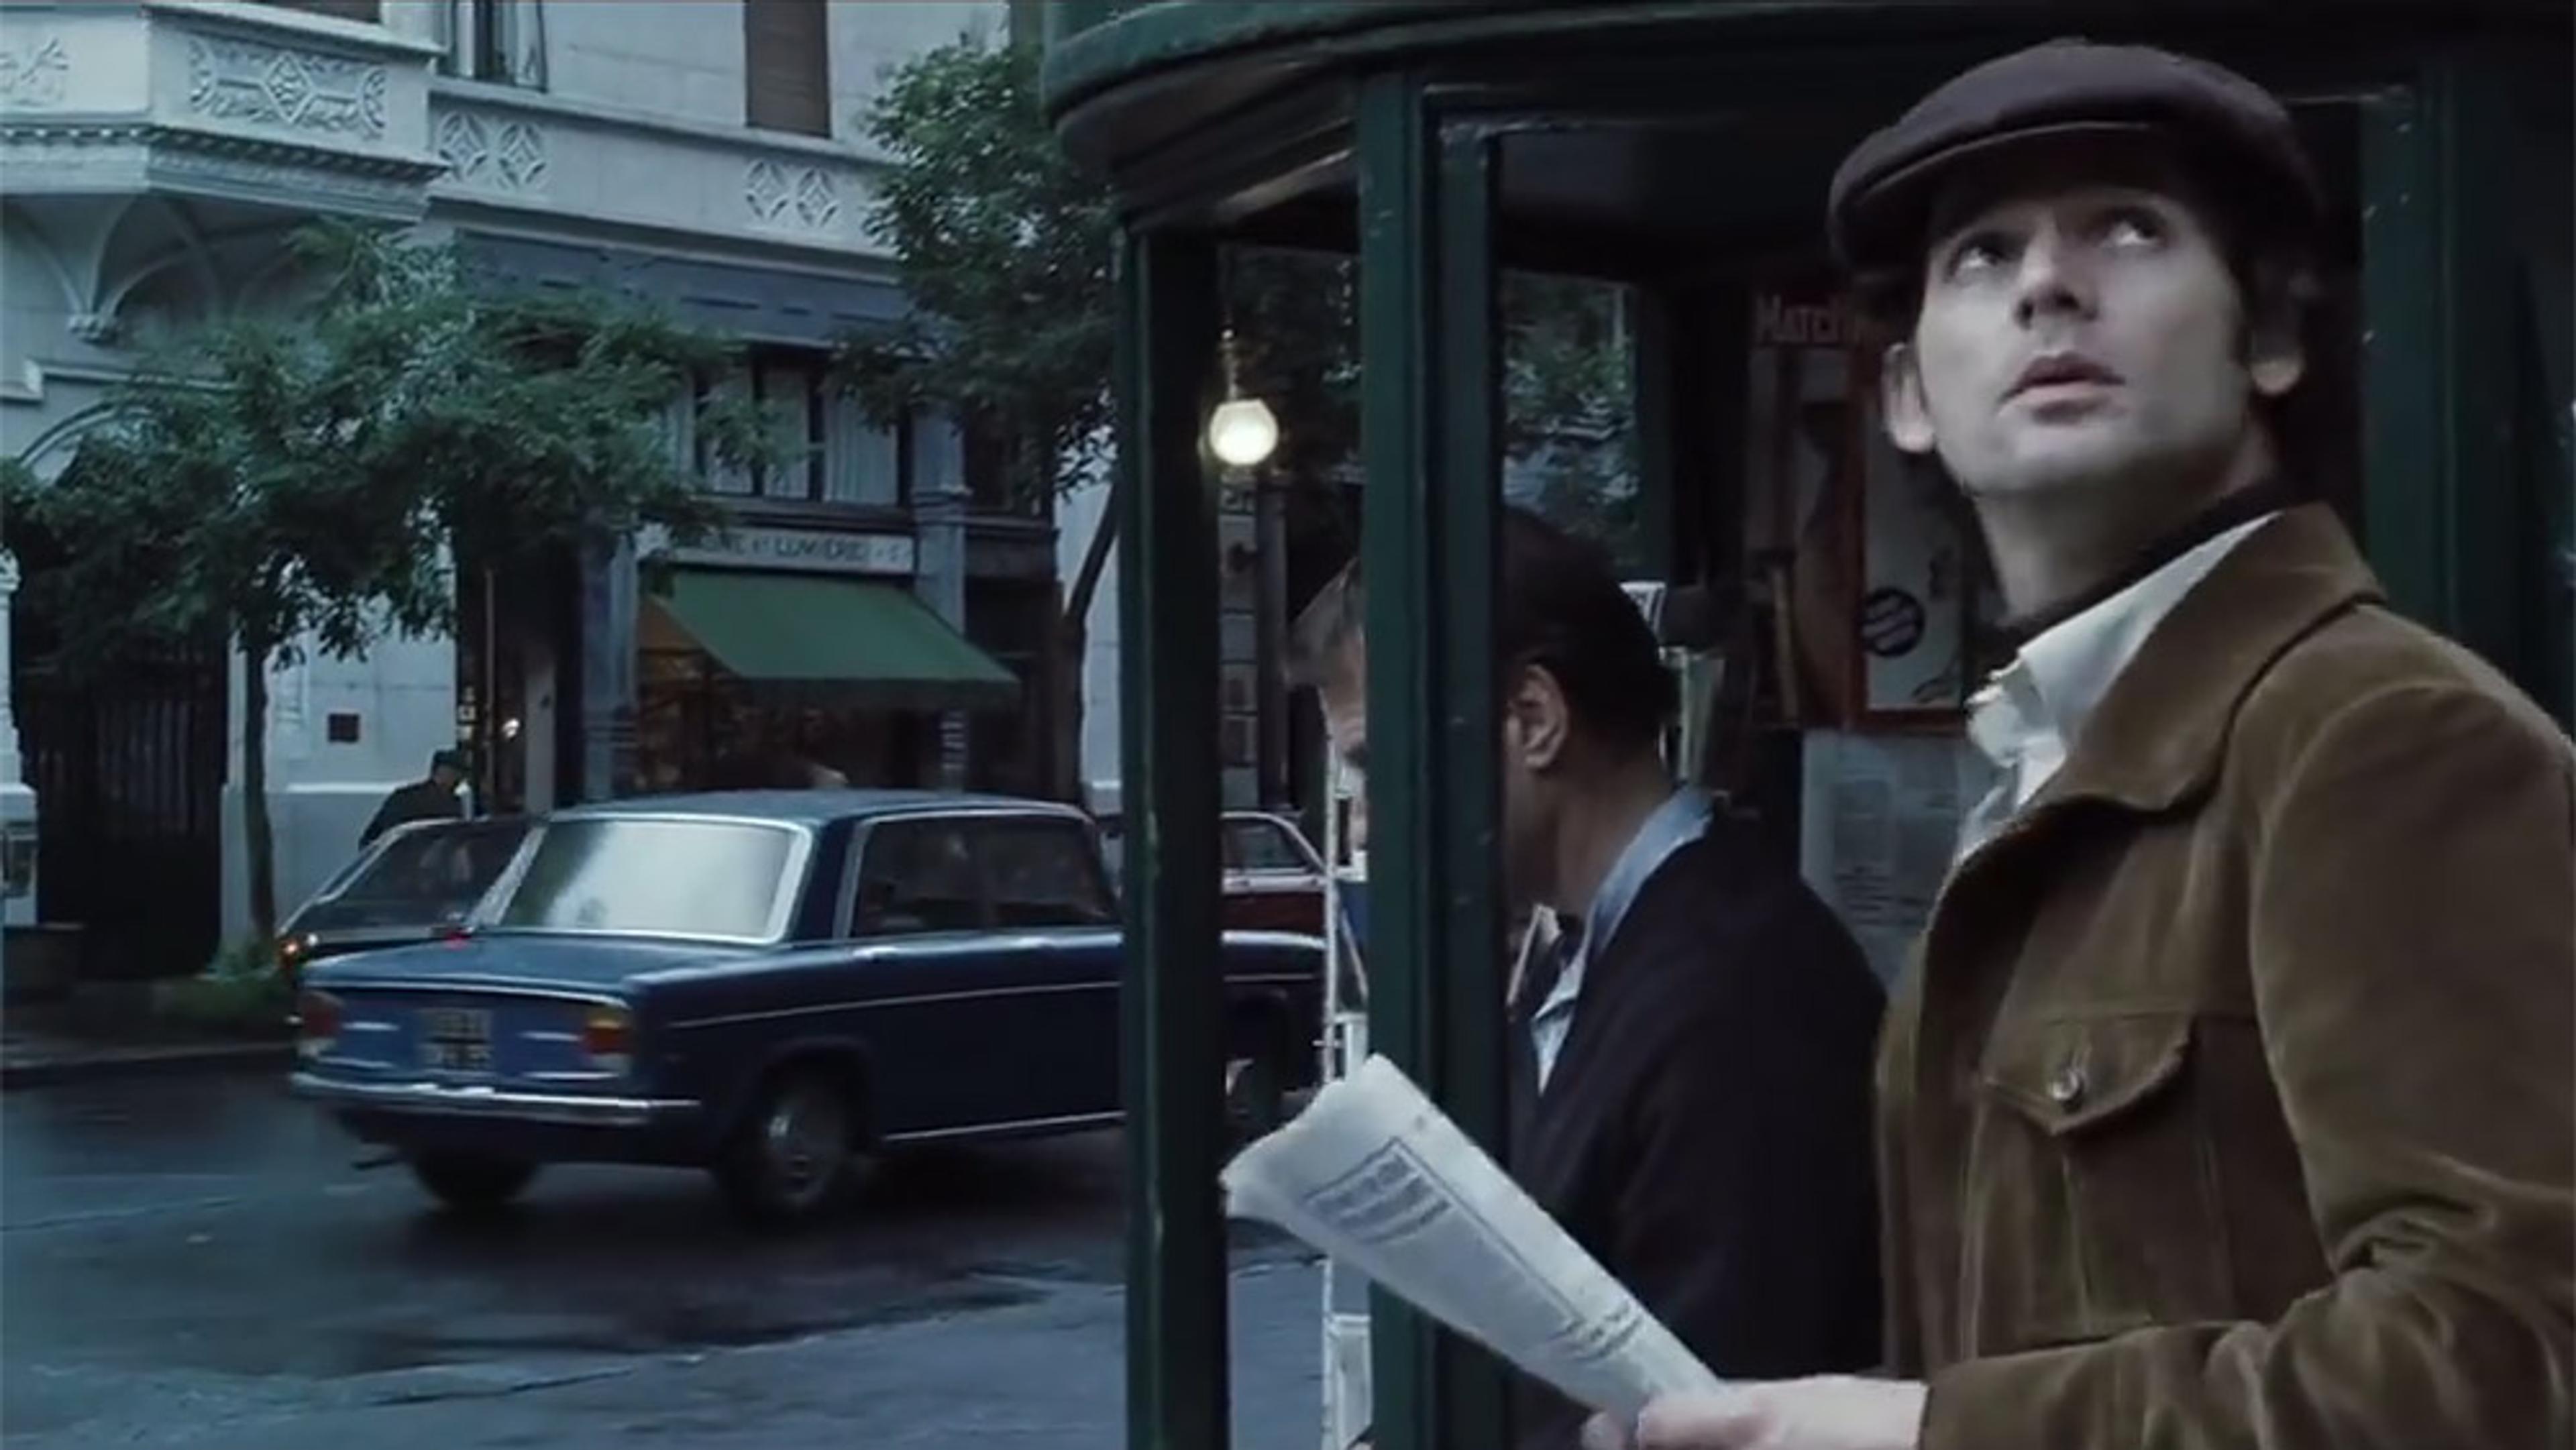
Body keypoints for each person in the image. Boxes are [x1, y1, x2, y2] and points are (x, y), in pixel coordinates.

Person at [1591, 38, 2574, 1450]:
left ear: (2273, 342)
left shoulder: (2382, 738)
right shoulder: (2041, 756)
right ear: (1909, 401)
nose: (2050, 282)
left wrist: (1924, 1433)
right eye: (1983, 255)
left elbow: (2511, 1353)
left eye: (2129, 226)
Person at [1291, 509, 1886, 1450]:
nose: (1364, 824)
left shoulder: (1738, 992)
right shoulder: (1609, 947)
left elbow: (1717, 1399)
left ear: (1533, 720)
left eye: (1376, 765)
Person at [360, 748, 467, 848]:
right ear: (442, 771)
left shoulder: (453, 801)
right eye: (456, 773)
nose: (459, 778)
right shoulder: (409, 798)